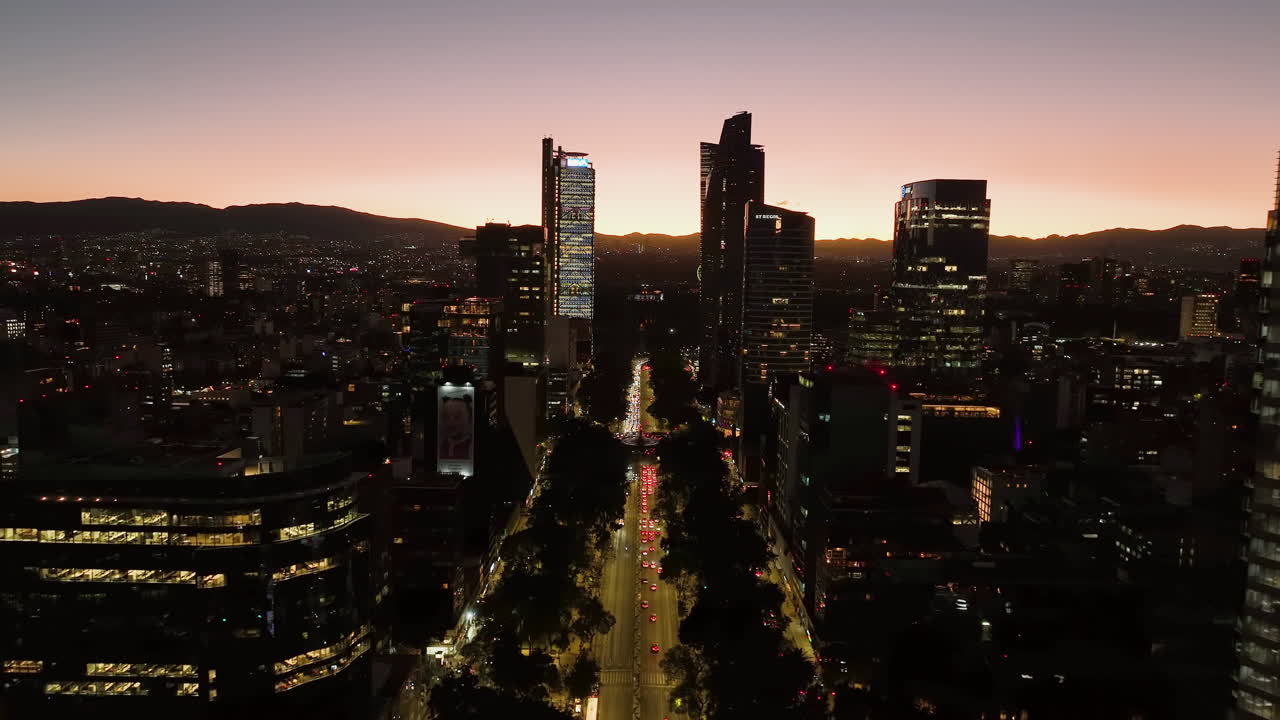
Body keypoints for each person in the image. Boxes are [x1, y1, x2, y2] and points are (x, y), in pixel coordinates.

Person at [439, 394, 473, 460]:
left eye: (457, 417)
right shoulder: (442, 444)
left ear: (469, 419)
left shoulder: (471, 445)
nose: (451, 422)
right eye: (446, 417)